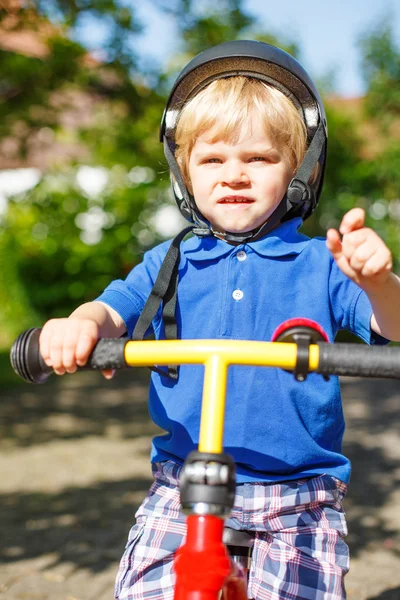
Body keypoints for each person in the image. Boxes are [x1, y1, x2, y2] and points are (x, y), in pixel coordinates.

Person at [39, 41, 400, 600]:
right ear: (184, 171)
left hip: (296, 494)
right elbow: (110, 311)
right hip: (183, 482)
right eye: (212, 160)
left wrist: (377, 283)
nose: (233, 175)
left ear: (300, 168)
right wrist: (79, 325)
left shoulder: (322, 264)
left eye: (257, 158)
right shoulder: (169, 260)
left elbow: (393, 328)